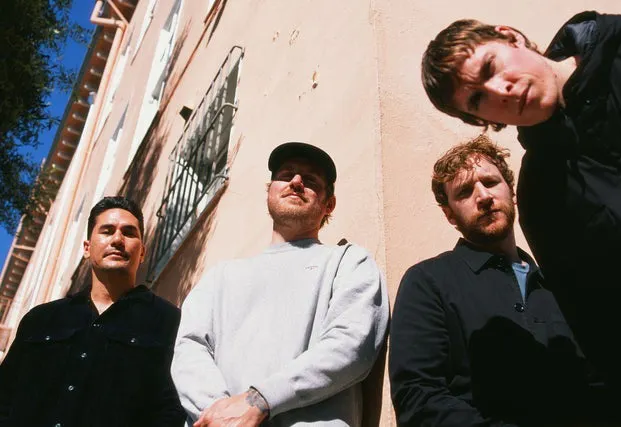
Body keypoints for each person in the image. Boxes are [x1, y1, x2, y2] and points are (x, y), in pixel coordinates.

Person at [420, 12, 621, 409]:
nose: (499, 91)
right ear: (481, 119)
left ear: (511, 37)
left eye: (490, 67)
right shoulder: (542, 197)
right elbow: (604, 330)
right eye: (478, 99)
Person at [171, 142, 389, 427]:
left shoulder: (348, 262)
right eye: (286, 175)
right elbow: (189, 349)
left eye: (310, 180)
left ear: (329, 205)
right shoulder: (221, 276)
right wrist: (221, 414)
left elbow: (351, 345)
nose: (296, 182)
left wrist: (261, 400)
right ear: (269, 191)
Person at [389, 136, 591, 426]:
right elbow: (417, 397)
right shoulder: (427, 281)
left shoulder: (559, 283)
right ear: (450, 215)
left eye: (491, 182)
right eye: (465, 192)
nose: (483, 196)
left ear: (512, 193)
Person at [0, 196, 185, 426]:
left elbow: (172, 409)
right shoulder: (40, 320)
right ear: (87, 248)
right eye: (107, 231)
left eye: (129, 233)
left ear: (142, 253)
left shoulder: (168, 321)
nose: (117, 239)